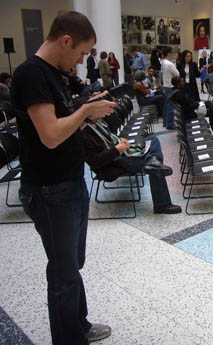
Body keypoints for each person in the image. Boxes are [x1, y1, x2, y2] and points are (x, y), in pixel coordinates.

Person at [11, 11, 116, 345]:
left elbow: (66, 127)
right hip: (49, 188)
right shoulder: (31, 75)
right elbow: (51, 136)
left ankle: (79, 324)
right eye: (81, 52)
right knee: (63, 272)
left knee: (72, 265)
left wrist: (87, 113)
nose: (82, 60)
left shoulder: (55, 74)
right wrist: (83, 112)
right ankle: (70, 338)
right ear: (66, 40)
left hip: (69, 182)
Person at [82, 118, 181, 214]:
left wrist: (120, 141)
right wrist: (116, 149)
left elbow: (112, 132)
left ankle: (153, 161)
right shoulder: (84, 133)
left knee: (152, 139)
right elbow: (95, 162)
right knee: (154, 167)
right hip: (112, 164)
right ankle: (161, 204)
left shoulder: (98, 123)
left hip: (119, 155)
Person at [161, 46, 179, 130]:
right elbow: (177, 74)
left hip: (165, 85)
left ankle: (165, 122)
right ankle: (170, 123)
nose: (173, 54)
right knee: (170, 105)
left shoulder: (163, 62)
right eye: (172, 53)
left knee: (166, 105)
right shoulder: (169, 63)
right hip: (170, 86)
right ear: (169, 53)